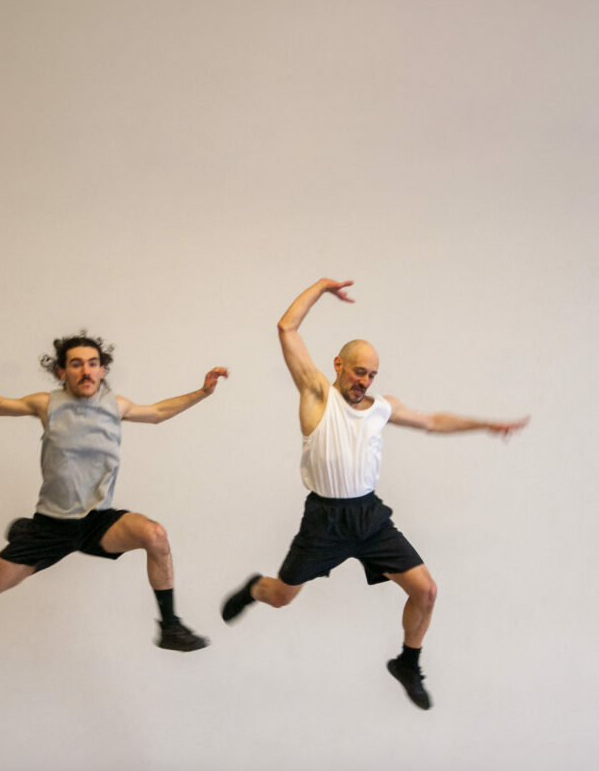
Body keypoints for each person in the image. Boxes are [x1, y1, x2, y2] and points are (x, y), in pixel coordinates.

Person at [221, 279, 528, 708]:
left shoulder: (383, 408)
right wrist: (322, 287)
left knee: (426, 591)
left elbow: (433, 422)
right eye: (358, 371)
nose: (363, 381)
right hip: (324, 519)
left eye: (370, 374)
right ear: (338, 365)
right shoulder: (317, 394)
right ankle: (255, 588)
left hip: (368, 517)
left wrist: (485, 425)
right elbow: (286, 328)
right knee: (280, 598)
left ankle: (407, 662)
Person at [0, 332, 228, 652]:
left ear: (102, 369)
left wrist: (203, 392)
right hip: (52, 524)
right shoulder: (47, 404)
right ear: (62, 371)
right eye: (76, 364)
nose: (86, 371)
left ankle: (170, 627)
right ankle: (27, 533)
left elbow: (157, 413)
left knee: (155, 535)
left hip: (97, 520)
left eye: (93, 364)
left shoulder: (116, 405)